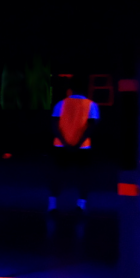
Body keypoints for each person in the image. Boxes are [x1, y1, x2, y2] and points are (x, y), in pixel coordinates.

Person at [48, 81, 99, 212]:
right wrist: (78, 143)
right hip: (83, 148)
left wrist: (65, 142)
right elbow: (91, 127)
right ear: (85, 91)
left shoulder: (61, 104)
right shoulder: (91, 105)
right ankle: (81, 206)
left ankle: (52, 206)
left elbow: (54, 126)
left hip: (61, 146)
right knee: (84, 176)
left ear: (70, 90)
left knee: (57, 175)